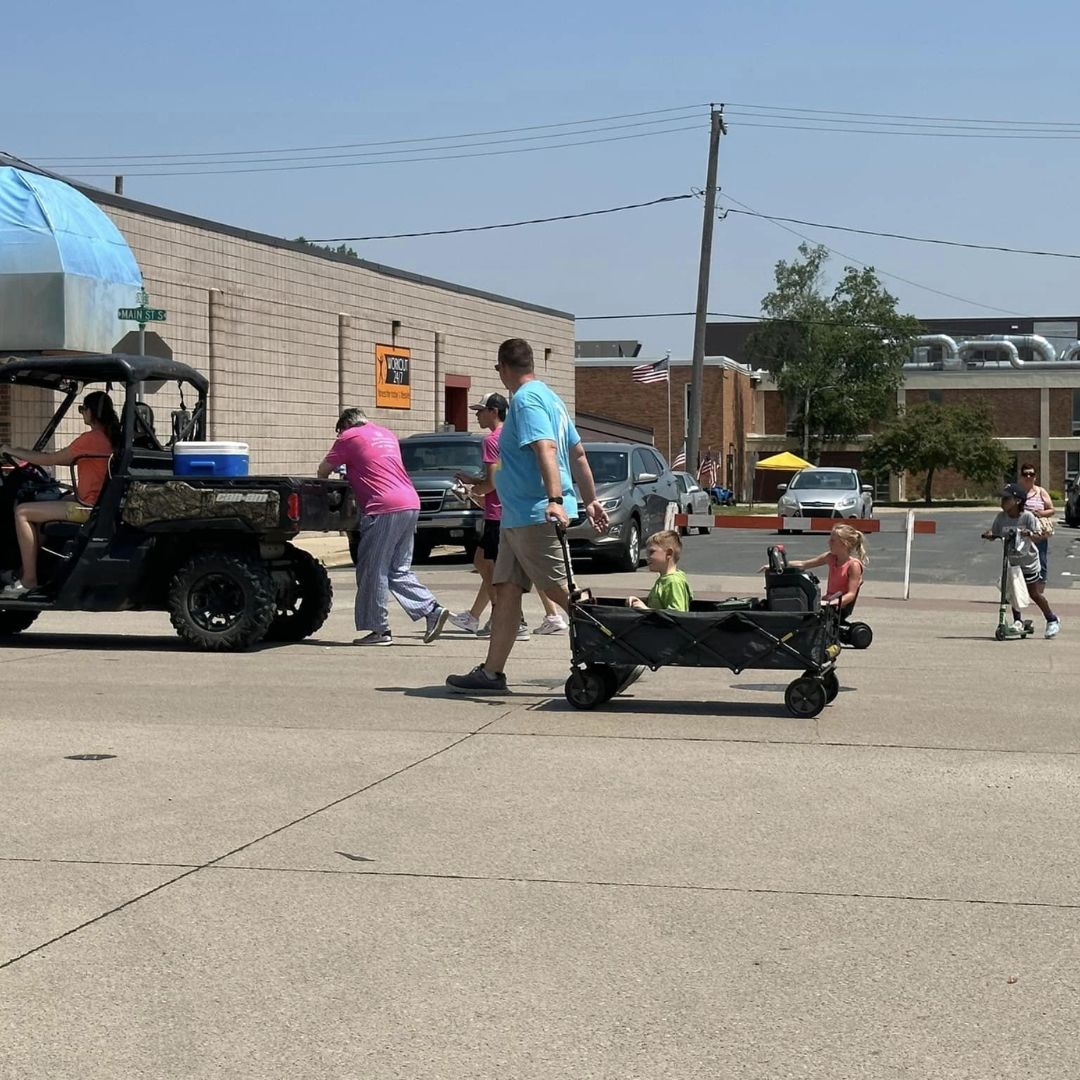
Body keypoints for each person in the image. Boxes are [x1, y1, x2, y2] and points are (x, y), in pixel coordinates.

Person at [446, 338, 608, 692]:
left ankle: (615, 646)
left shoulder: (527, 400)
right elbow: (578, 454)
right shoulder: (553, 399)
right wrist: (591, 500)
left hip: (536, 515)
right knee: (505, 590)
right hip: (515, 518)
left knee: (561, 591)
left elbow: (545, 448)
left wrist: (554, 499)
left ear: (503, 368)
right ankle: (491, 673)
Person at [318, 408, 450, 646]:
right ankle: (432, 610)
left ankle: (379, 630)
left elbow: (323, 471)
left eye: (340, 430)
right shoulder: (386, 434)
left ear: (347, 424)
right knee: (398, 569)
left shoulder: (349, 437)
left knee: (373, 569)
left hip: (382, 507)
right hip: (410, 502)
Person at [448, 391, 568, 639]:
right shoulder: (511, 436)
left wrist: (473, 490)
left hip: (498, 514)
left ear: (494, 411)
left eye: (480, 410)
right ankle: (479, 617)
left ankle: (514, 620)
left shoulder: (492, 439)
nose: (477, 415)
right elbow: (499, 475)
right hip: (512, 511)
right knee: (500, 567)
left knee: (489, 567)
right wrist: (476, 481)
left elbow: (492, 481)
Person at [0, 390, 120, 597]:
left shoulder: (91, 438)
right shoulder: (110, 437)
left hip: (87, 507)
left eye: (83, 409)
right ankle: (37, 568)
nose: (82, 413)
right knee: (50, 501)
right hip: (95, 501)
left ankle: (29, 579)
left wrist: (12, 450)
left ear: (92, 412)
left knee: (22, 512)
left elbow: (51, 459)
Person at [982, 483, 1060, 638]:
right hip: (1012, 561)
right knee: (1012, 591)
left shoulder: (1027, 517)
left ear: (1017, 501)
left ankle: (1052, 619)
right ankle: (1018, 621)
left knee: (1033, 594)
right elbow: (995, 532)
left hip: (1029, 562)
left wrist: (1029, 533)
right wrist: (990, 535)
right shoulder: (1001, 518)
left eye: (1006, 499)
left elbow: (1039, 536)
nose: (1002, 502)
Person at [771, 523, 867, 613]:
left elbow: (851, 594)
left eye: (832, 540)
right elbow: (803, 564)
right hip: (827, 602)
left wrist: (831, 603)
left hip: (838, 607)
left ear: (844, 544)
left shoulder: (853, 565)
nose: (829, 542)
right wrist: (778, 564)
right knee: (796, 603)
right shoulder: (831, 557)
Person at [627, 530, 693, 611]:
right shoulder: (664, 579)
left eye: (652, 552)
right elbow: (658, 603)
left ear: (669, 553)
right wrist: (639, 601)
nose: (647, 557)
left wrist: (647, 610)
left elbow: (676, 615)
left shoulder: (674, 582)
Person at [1018, 463, 1055, 583]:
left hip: (1038, 532)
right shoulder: (1017, 492)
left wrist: (1040, 513)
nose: (1028, 476)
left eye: (1031, 474)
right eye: (1025, 474)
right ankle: (1021, 590)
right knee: (1019, 562)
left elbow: (1051, 509)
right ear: (1021, 476)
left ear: (1035, 477)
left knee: (1041, 560)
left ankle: (1039, 592)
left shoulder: (1041, 491)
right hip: (1021, 533)